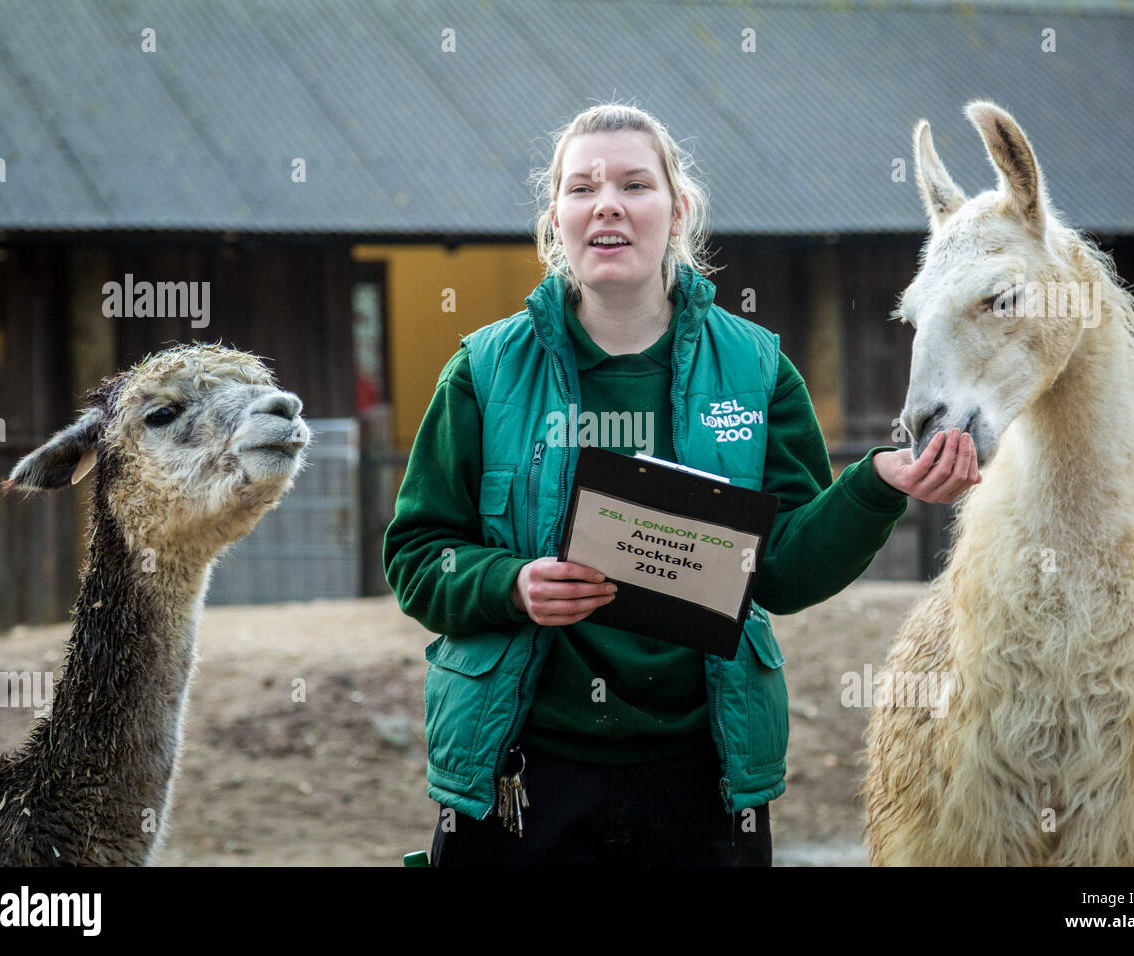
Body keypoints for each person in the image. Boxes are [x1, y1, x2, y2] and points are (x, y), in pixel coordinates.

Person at [383, 103, 980, 866]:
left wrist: (876, 487)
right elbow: (416, 553)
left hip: (704, 775)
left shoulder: (759, 369)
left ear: (679, 210)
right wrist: (509, 583)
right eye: (581, 188)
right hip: (522, 774)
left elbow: (786, 570)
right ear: (556, 219)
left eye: (636, 184)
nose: (607, 203)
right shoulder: (483, 370)